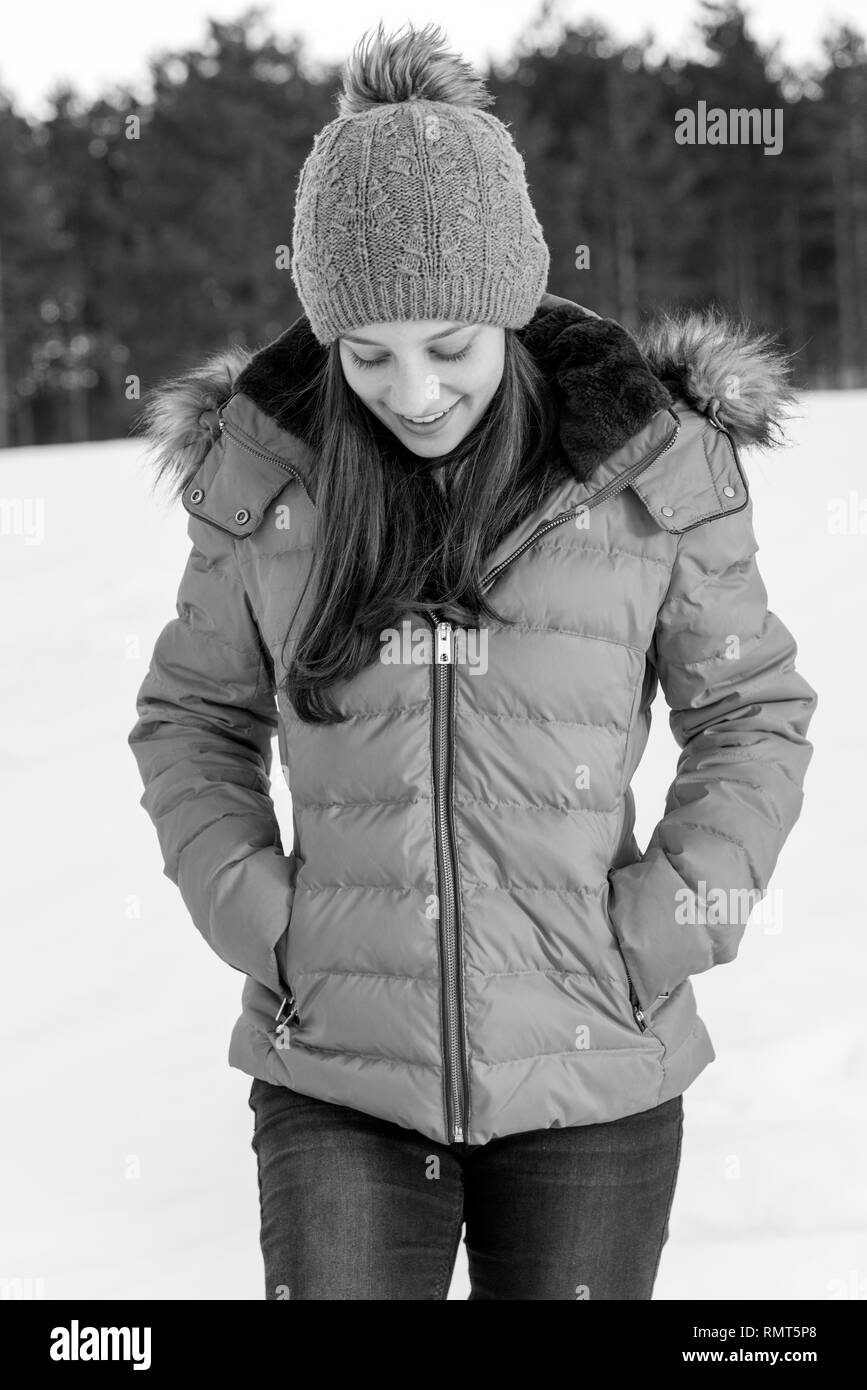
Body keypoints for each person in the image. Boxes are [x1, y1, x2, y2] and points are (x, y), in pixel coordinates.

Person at [128, 21, 818, 1300]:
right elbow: (191, 715)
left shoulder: (648, 466)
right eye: (368, 353)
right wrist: (262, 920)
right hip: (336, 1065)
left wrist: (665, 924)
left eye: (450, 346)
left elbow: (753, 711)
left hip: (596, 1060)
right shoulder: (270, 474)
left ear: (510, 304)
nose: (415, 390)